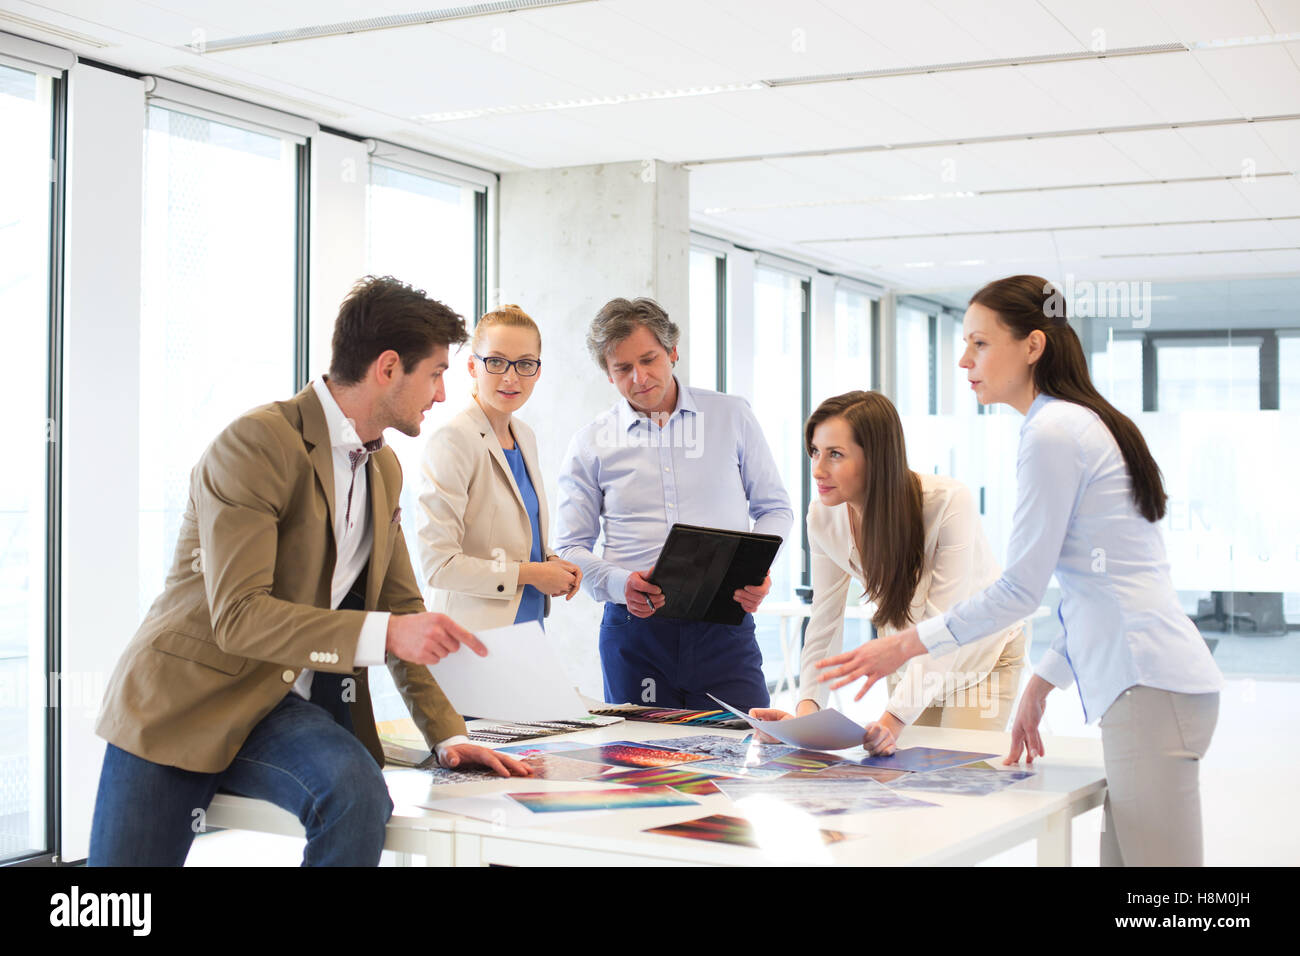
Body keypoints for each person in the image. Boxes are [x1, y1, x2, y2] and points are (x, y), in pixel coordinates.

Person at [89, 275, 530, 868]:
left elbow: (403, 612)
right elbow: (239, 618)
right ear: (388, 367)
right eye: (435, 374)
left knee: (355, 794)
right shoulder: (256, 444)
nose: (443, 394)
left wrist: (448, 736)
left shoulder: (384, 470)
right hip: (181, 704)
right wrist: (384, 635)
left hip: (278, 708)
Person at [816, 274, 1223, 867]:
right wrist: (1043, 682)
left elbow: (1018, 590)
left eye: (980, 344)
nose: (964, 360)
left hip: (1149, 687)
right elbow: (1102, 589)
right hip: (1151, 686)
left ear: (1033, 345)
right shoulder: (1080, 421)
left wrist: (902, 646)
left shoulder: (1053, 432)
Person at [750, 391, 1025, 753]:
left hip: (979, 660)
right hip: (911, 661)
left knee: (955, 779)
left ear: (876, 457)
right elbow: (825, 622)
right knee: (908, 785)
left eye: (835, 454)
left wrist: (891, 721)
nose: (817, 469)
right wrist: (807, 714)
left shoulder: (947, 503)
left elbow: (947, 625)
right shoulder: (823, 516)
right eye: (815, 451)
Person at [554, 297, 793, 712]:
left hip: (724, 628)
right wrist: (619, 583)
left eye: (649, 359)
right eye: (622, 368)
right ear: (607, 374)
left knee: (738, 759)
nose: (640, 377)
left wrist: (756, 568)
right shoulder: (590, 442)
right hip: (635, 632)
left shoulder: (731, 415)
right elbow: (570, 548)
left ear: (673, 351)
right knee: (642, 766)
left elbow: (775, 508)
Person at [417, 304, 581, 631]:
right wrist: (534, 574)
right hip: (473, 634)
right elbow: (438, 565)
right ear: (472, 366)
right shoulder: (454, 440)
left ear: (538, 370)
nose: (510, 377)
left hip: (527, 626)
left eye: (524, 364)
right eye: (495, 361)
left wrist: (549, 560)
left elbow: (517, 539)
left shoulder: (525, 436)